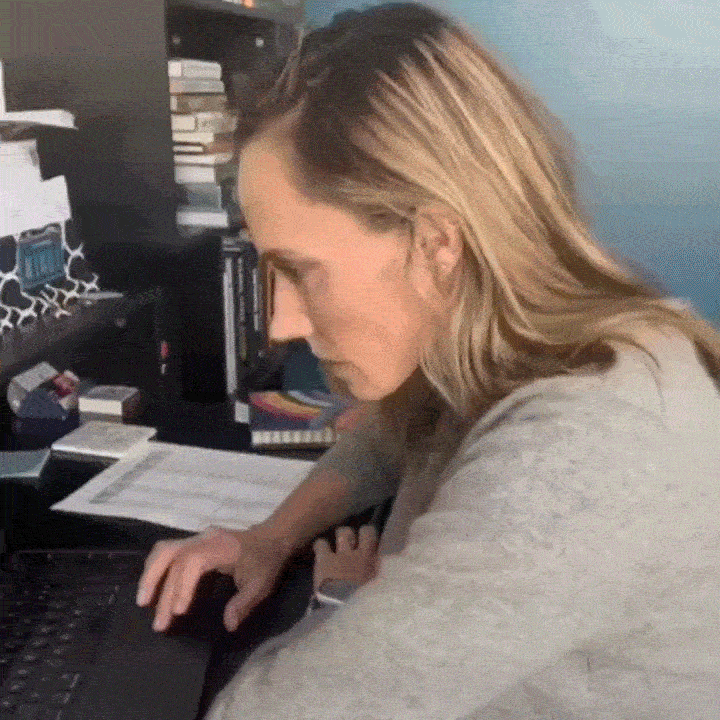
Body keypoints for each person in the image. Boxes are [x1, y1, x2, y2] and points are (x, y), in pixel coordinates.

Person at [137, 3, 720, 717]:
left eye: (302, 271)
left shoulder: (591, 446)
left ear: (437, 243)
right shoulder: (516, 355)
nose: (281, 323)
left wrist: (340, 605)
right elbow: (395, 436)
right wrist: (271, 538)